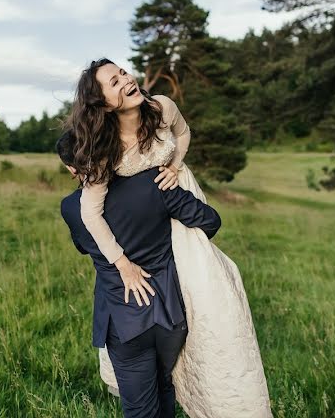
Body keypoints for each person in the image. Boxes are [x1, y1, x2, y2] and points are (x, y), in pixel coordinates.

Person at [67, 58, 272, 418]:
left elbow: (184, 132)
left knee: (204, 282)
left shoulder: (161, 106)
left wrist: (174, 166)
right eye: (114, 83)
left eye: (124, 73)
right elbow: (90, 212)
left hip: (173, 186)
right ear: (103, 104)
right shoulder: (106, 148)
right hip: (155, 207)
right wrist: (124, 265)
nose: (126, 80)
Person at [57, 130, 222, 418]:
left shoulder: (72, 207)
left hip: (124, 322)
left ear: (72, 169)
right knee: (164, 386)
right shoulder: (154, 181)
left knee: (140, 410)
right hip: (172, 312)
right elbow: (210, 220)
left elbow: (83, 247)